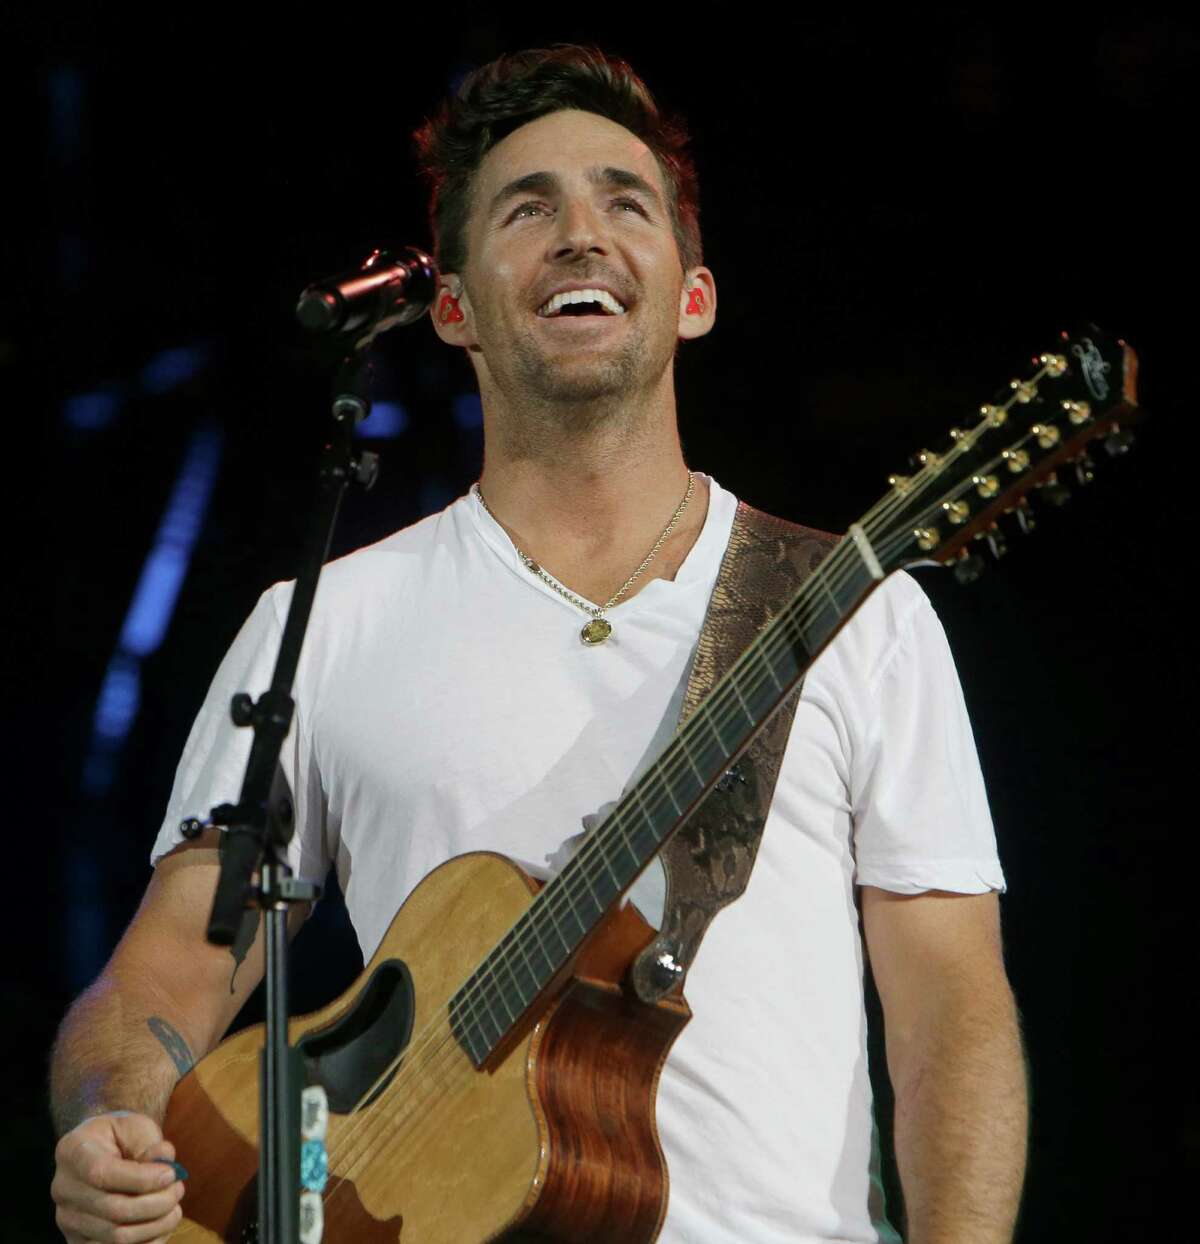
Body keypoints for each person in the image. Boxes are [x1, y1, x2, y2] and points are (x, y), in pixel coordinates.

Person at [49, 46, 1027, 1244]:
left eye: (625, 201)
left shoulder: (853, 609)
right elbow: (161, 980)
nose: (582, 233)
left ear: (694, 291)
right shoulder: (325, 619)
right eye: (529, 208)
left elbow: (950, 1013)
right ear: (451, 305)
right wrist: (117, 1121)